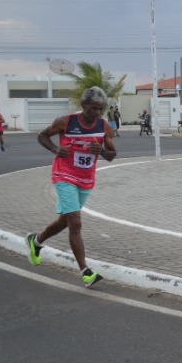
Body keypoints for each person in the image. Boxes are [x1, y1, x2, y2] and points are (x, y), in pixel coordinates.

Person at [26, 87, 117, 287]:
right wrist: (57, 150)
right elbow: (42, 136)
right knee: (75, 223)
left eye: (101, 109)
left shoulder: (104, 126)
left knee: (65, 221)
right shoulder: (65, 122)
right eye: (93, 108)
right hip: (63, 175)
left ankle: (37, 241)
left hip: (85, 179)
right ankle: (85, 271)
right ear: (83, 106)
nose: (97, 113)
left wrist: (101, 150)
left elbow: (112, 155)